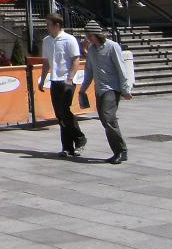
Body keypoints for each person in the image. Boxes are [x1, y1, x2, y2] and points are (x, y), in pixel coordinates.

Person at [80, 20, 132, 164]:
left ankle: (121, 151)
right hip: (99, 89)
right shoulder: (91, 50)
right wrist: (83, 88)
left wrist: (125, 89)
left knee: (108, 118)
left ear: (97, 34)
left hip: (112, 88)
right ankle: (118, 150)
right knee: (105, 120)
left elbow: (121, 69)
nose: (88, 39)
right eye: (87, 36)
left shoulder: (112, 47)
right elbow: (89, 71)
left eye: (90, 36)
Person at [39, 13, 86, 158]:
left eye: (48, 24)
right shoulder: (47, 41)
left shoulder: (69, 39)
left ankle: (79, 139)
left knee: (65, 111)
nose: (46, 27)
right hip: (54, 80)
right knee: (59, 114)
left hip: (67, 80)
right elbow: (46, 62)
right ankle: (67, 147)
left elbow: (75, 60)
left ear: (57, 25)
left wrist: (69, 79)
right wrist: (43, 79)